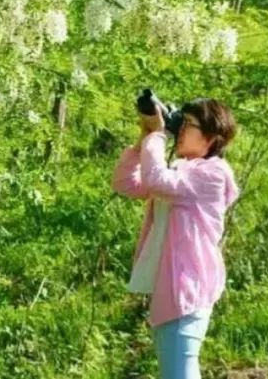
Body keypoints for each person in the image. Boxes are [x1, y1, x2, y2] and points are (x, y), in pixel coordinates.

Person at [111, 98, 241, 379]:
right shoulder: (182, 172)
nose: (179, 130)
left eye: (188, 124)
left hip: (187, 286)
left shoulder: (213, 174)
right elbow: (125, 183)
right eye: (179, 123)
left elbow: (156, 179)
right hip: (169, 287)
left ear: (212, 136)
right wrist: (143, 141)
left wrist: (158, 136)